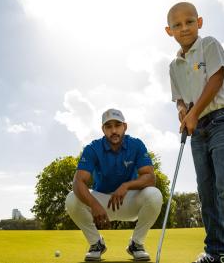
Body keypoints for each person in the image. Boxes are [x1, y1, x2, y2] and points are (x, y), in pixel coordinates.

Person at [165, 2, 224, 263]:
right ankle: (215, 252)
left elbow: (216, 79)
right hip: (198, 130)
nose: (184, 28)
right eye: (177, 25)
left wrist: (193, 113)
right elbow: (179, 99)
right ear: (168, 31)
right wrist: (183, 111)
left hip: (222, 120)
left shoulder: (209, 45)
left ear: (200, 22)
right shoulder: (173, 66)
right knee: (206, 191)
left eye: (189, 22)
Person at [66, 108, 164, 262]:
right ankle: (96, 244)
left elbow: (150, 178)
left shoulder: (136, 145)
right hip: (101, 204)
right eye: (108, 126)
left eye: (117, 125)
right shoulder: (93, 148)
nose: (113, 130)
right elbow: (78, 182)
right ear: (103, 130)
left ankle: (136, 244)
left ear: (125, 126)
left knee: (155, 195)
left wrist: (126, 186)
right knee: (72, 199)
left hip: (129, 202)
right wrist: (94, 204)